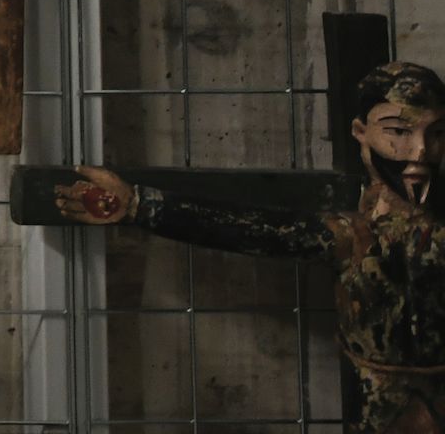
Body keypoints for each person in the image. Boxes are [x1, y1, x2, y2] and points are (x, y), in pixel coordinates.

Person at [55, 61, 445, 433]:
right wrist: (141, 205)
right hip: (380, 409)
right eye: (398, 131)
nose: (419, 151)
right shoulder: (354, 237)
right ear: (361, 132)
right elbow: (253, 229)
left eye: (437, 133)